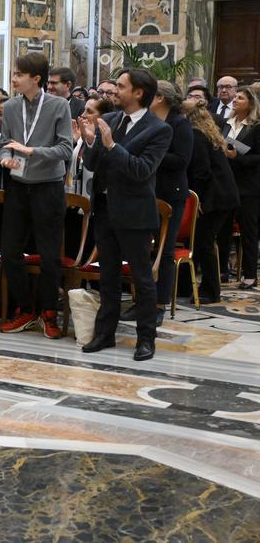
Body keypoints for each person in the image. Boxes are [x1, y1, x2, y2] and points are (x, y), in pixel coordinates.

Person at [79, 69, 172, 361]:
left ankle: (146, 339)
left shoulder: (158, 129)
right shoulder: (109, 119)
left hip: (134, 213)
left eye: (120, 86)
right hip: (105, 209)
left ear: (138, 93)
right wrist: (90, 142)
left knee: (142, 279)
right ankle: (104, 334)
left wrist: (110, 145)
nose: (113, 92)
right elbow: (95, 165)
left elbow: (141, 171)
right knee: (107, 276)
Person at [0, 53, 72, 339]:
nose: (13, 78)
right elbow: (5, 143)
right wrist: (6, 157)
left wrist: (31, 152)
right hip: (17, 187)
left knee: (49, 255)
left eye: (18, 74)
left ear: (36, 79)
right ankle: (25, 309)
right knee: (10, 252)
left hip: (48, 187)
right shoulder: (12, 107)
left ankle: (49, 312)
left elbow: (66, 149)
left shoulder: (59, 106)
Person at [120, 80, 191, 326]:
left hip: (170, 193)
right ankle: (140, 301)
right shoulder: (145, 122)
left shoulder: (179, 124)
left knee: (166, 250)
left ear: (159, 98)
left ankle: (158, 305)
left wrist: (153, 155)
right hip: (146, 192)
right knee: (142, 249)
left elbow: (182, 160)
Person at [184, 97, 239, 304]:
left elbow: (202, 173)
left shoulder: (197, 135)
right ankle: (207, 287)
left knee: (203, 243)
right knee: (205, 243)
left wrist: (196, 202)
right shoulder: (207, 132)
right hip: (223, 195)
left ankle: (211, 291)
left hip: (214, 198)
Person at [222, 85, 260, 289]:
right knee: (223, 229)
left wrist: (239, 157)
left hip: (248, 186)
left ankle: (250, 274)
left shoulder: (256, 126)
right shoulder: (226, 123)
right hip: (226, 184)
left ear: (251, 103)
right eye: (235, 97)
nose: (235, 100)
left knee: (249, 232)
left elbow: (257, 157)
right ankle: (222, 271)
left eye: (240, 98)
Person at [68, 97, 113, 197]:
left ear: (104, 116)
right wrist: (73, 141)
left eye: (89, 111)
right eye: (84, 110)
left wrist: (90, 140)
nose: (83, 115)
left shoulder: (109, 141)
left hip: (96, 199)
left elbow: (96, 166)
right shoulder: (80, 136)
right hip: (74, 197)